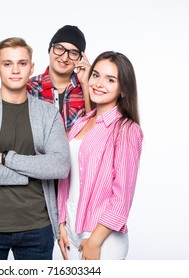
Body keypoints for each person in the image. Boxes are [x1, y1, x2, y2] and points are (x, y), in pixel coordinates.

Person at [0, 37, 70, 260]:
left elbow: (60, 166)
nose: (15, 70)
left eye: (22, 63)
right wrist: (30, 173)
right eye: (7, 64)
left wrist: (5, 158)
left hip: (38, 226)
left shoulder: (48, 114)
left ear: (31, 68)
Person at [57, 51, 144, 260]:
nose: (98, 83)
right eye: (95, 75)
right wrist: (61, 223)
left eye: (110, 79)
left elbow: (122, 196)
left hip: (101, 236)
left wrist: (95, 241)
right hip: (69, 231)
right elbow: (65, 177)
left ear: (123, 89)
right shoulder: (80, 123)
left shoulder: (126, 129)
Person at [27, 25, 92, 133]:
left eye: (73, 53)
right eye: (59, 48)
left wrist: (86, 83)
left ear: (80, 59)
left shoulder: (89, 89)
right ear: (50, 49)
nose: (64, 58)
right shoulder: (29, 87)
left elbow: (95, 130)